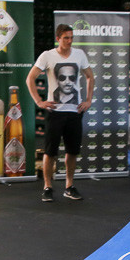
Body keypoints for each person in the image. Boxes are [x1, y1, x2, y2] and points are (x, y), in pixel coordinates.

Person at [26, 24, 94, 202]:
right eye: (66, 38)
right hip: (54, 112)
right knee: (50, 152)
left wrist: (88, 100)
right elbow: (30, 78)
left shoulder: (79, 55)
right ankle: (47, 187)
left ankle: (69, 186)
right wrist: (39, 101)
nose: (70, 41)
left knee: (72, 151)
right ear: (58, 38)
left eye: (71, 37)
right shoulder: (48, 56)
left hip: (74, 112)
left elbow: (90, 76)